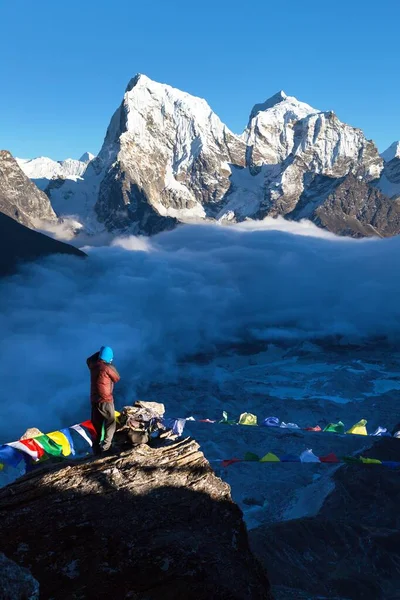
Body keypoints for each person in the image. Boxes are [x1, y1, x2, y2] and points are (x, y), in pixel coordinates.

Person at [86, 346, 120, 454]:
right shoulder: (107, 368)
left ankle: (96, 449)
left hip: (94, 400)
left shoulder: (93, 365)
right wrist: (109, 362)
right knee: (110, 423)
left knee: (96, 426)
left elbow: (89, 359)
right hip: (105, 400)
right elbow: (116, 377)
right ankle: (106, 447)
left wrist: (101, 353)